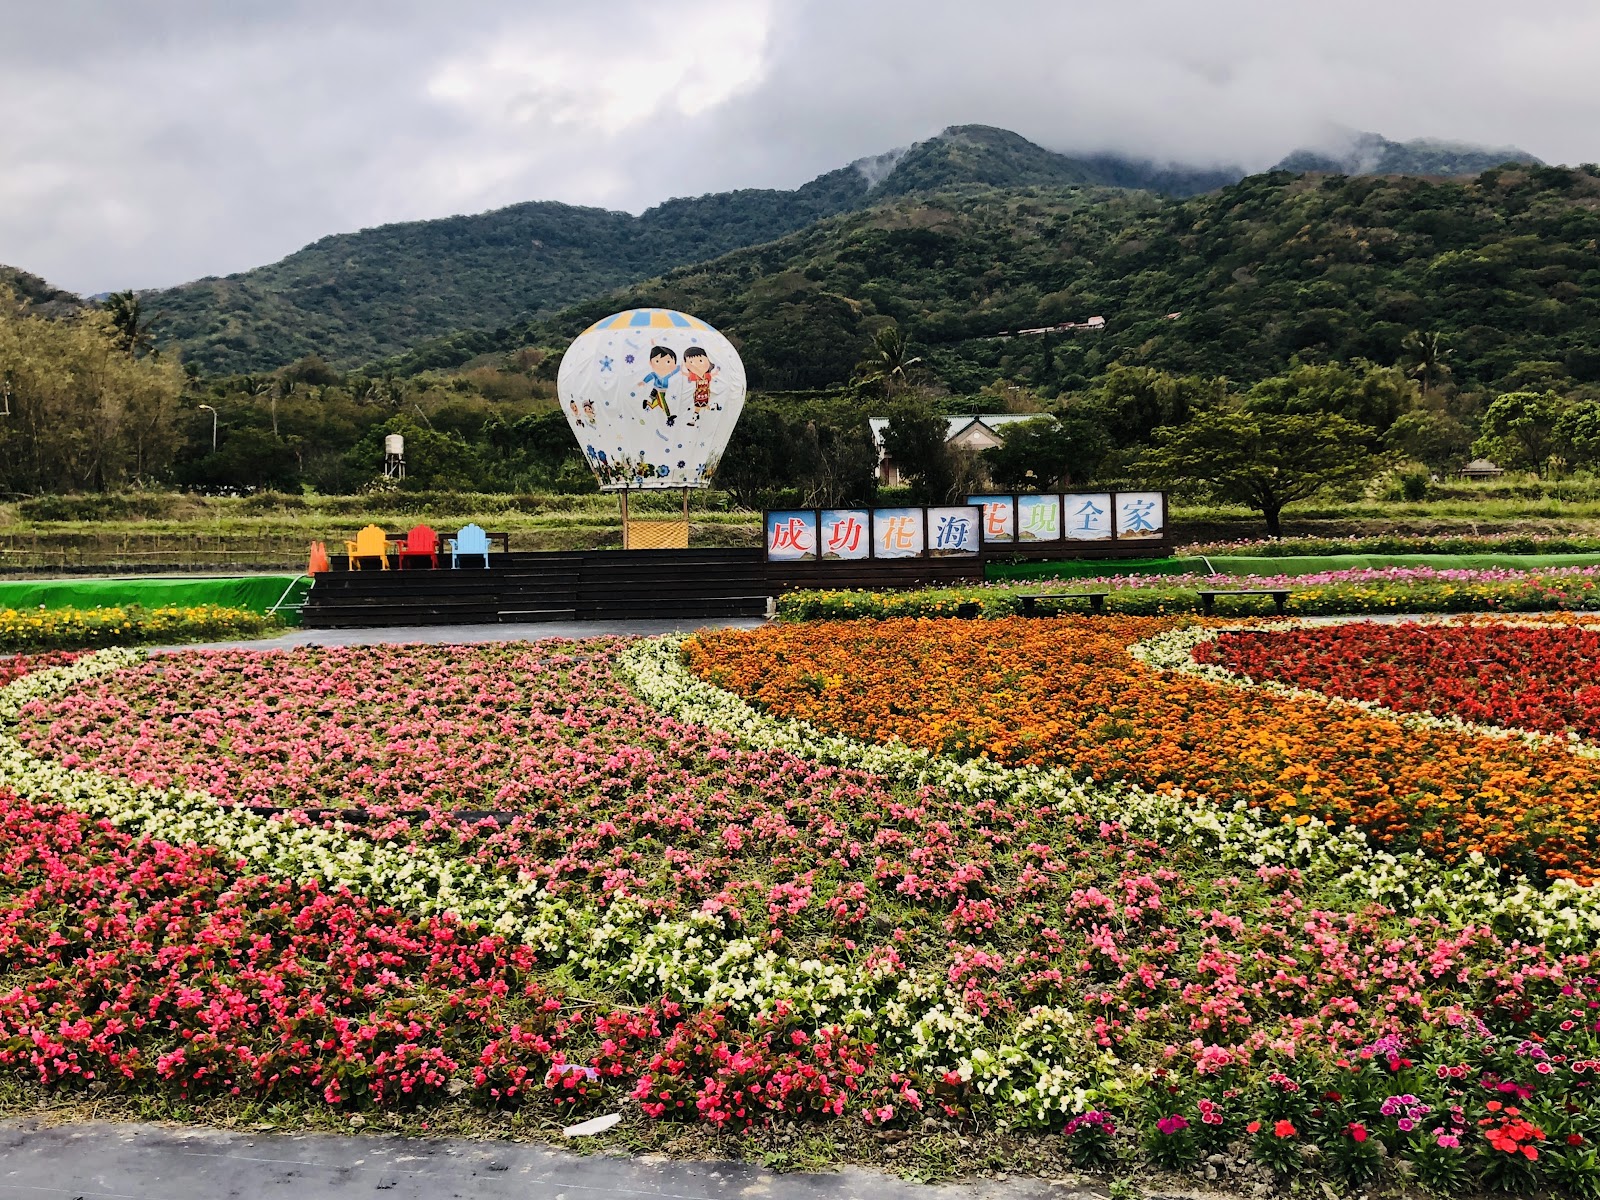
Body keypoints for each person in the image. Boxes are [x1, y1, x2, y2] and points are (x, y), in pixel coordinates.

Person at [638, 346, 679, 426]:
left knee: (655, 405)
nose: (663, 365)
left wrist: (679, 367)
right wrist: (644, 382)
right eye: (657, 361)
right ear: (651, 363)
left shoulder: (667, 375)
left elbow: (674, 371)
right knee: (663, 403)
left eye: (668, 362)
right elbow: (650, 376)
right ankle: (669, 416)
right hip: (658, 391)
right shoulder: (655, 374)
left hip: (663, 391)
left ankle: (647, 402)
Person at [682, 346, 718, 425]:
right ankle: (713, 406)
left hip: (705, 394)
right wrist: (682, 370)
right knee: (700, 407)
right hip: (698, 395)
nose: (696, 365)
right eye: (691, 362)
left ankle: (695, 419)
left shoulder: (707, 375)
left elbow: (711, 377)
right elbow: (687, 375)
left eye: (700, 361)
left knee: (702, 407)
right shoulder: (695, 376)